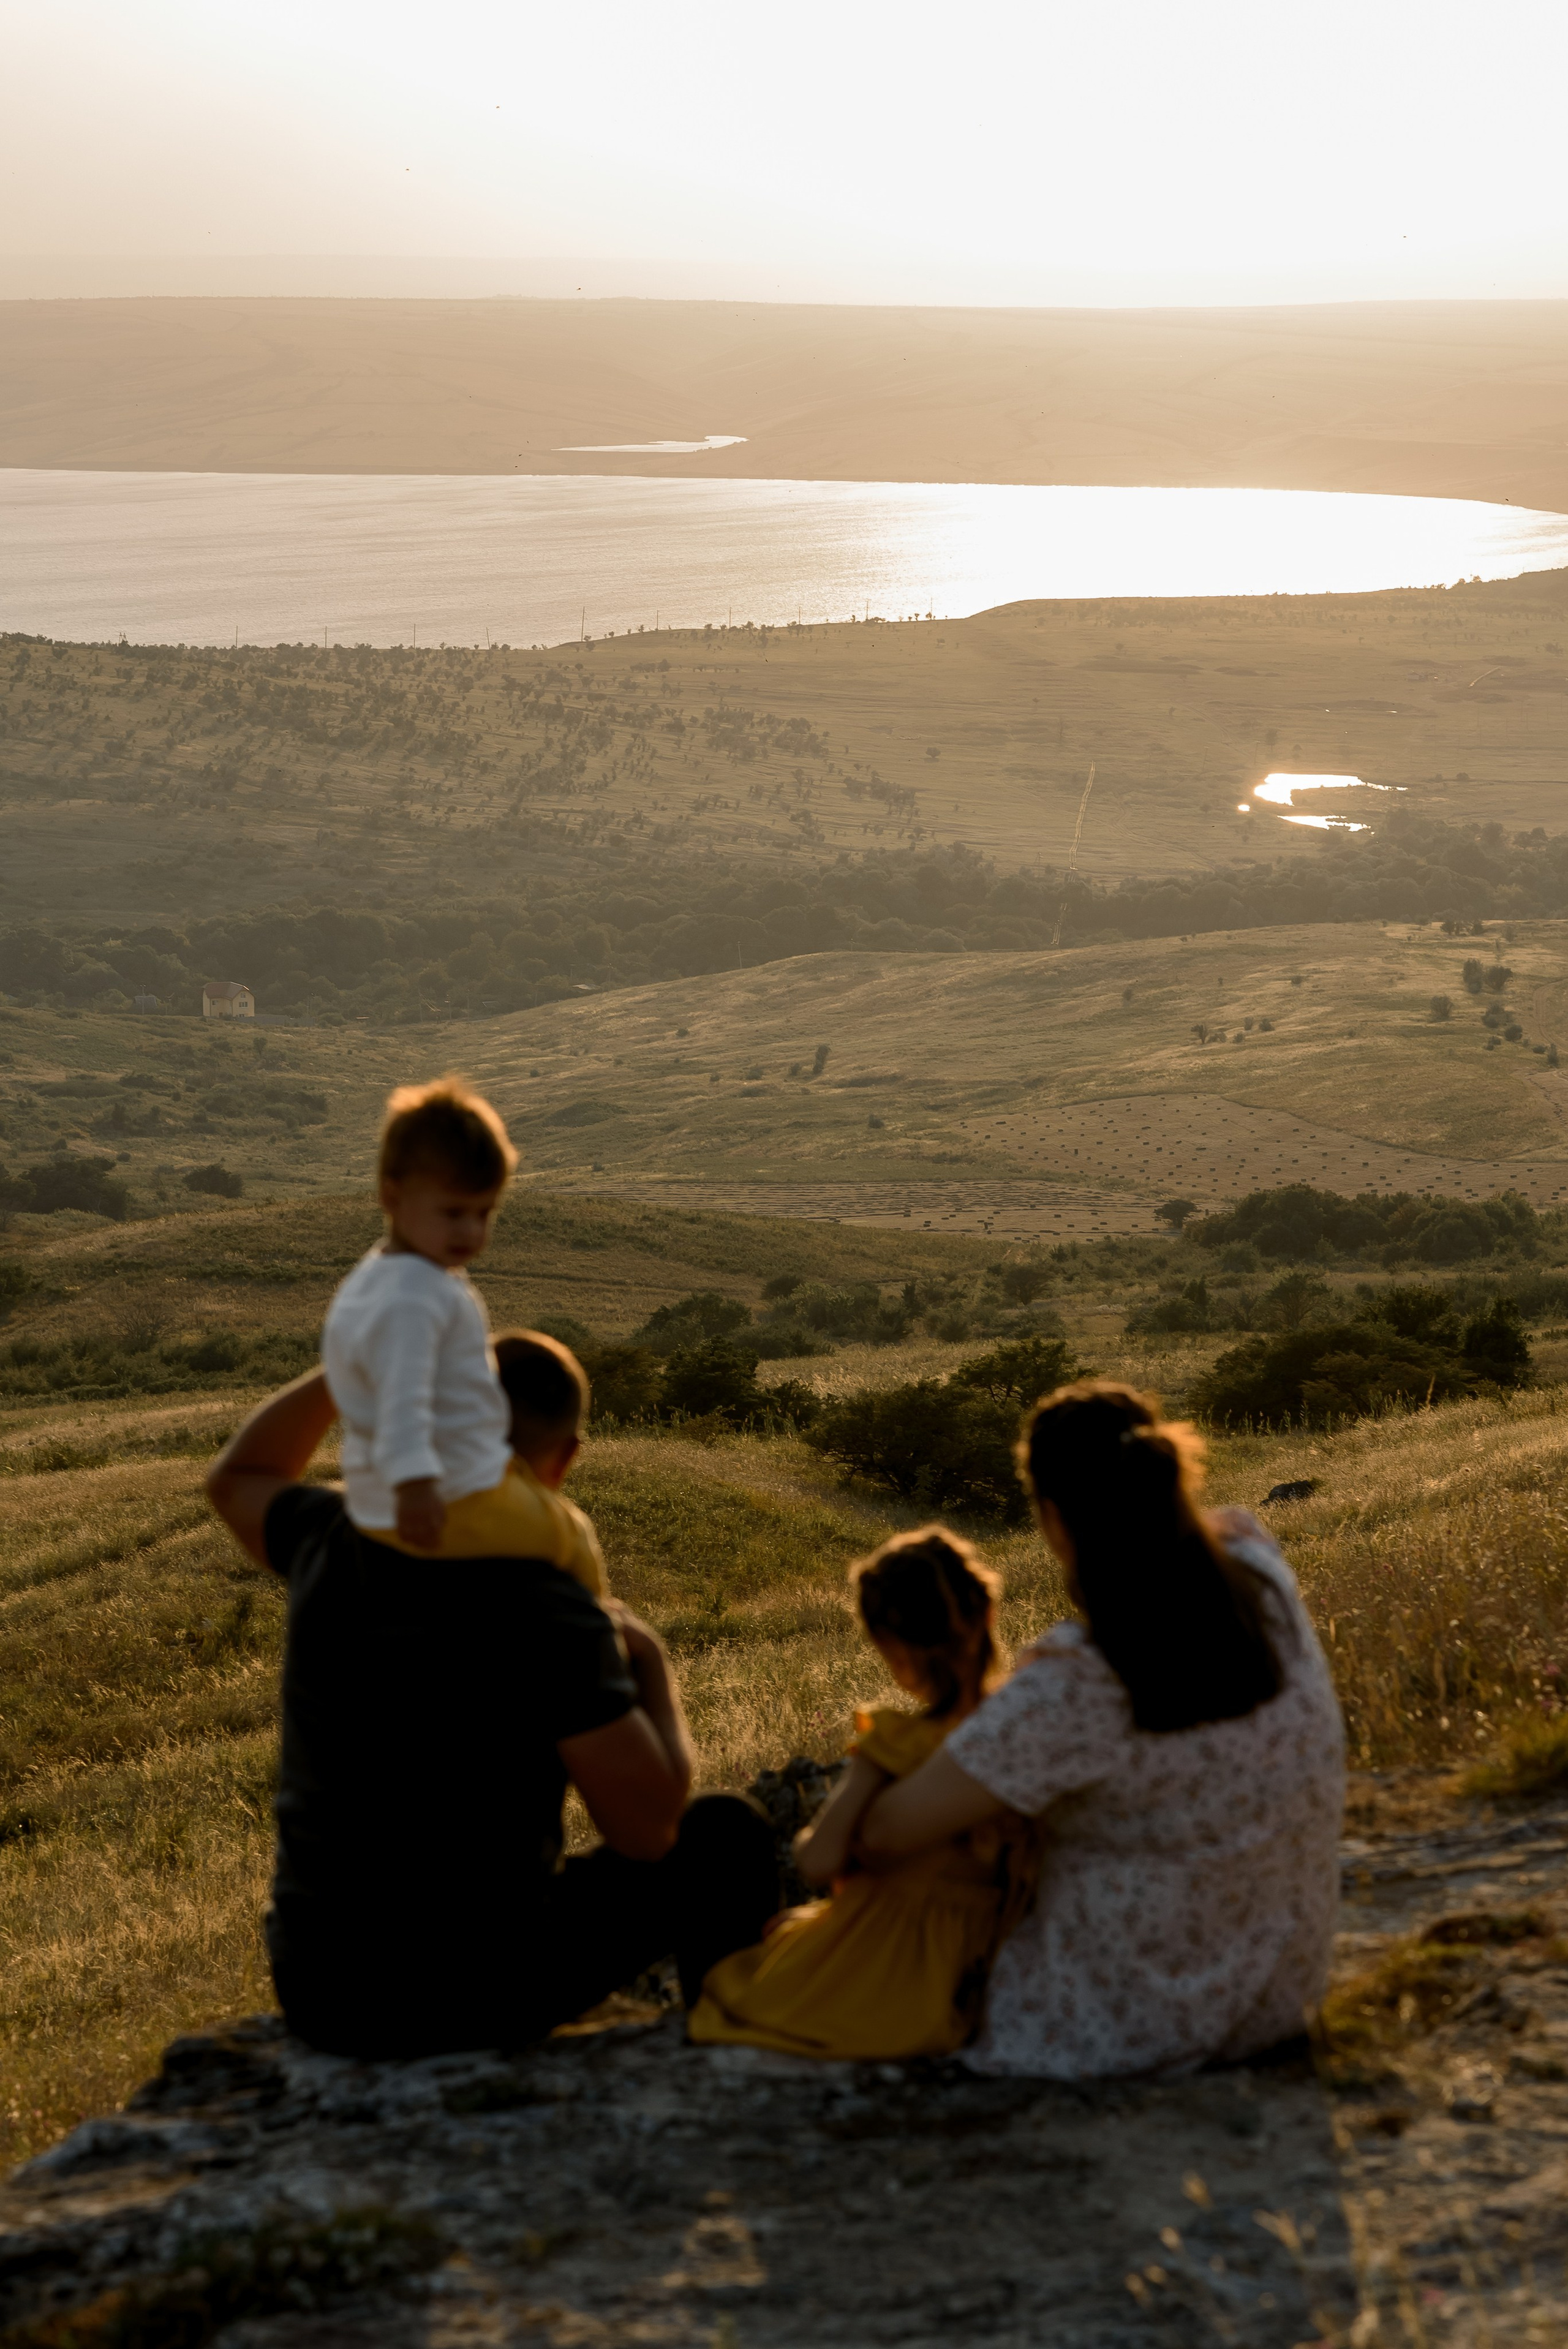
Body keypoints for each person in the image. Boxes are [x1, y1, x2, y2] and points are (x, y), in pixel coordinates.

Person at [205, 1368, 777, 2059]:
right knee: (724, 1831)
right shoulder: (552, 1605)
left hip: (320, 1990)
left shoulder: (333, 1535)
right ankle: (738, 2054)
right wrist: (650, 1661)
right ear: (565, 1457)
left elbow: (241, 1475)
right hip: (477, 1994)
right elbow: (650, 1833)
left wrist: (356, 1360)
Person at [859, 1381, 1346, 2079]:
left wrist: (883, 1743)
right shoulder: (1259, 1572)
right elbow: (1219, 1534)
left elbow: (884, 1835)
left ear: (1053, 1517)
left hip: (1120, 2021)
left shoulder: (1079, 1680)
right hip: (1277, 1994)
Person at [688, 1529, 1038, 2061]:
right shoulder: (1027, 1737)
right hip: (973, 1972)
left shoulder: (898, 1741)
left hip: (880, 1976)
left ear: (889, 1645)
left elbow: (819, 1860)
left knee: (731, 1982)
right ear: (987, 1613)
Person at [321, 1075, 603, 1592]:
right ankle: (600, 1631)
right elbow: (402, 1397)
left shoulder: (372, 1278)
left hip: (370, 1500)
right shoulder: (416, 1294)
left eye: (484, 1213)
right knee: (572, 1535)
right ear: (391, 1194)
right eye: (453, 1213)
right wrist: (416, 1484)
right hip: (452, 1495)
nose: (471, 1232)